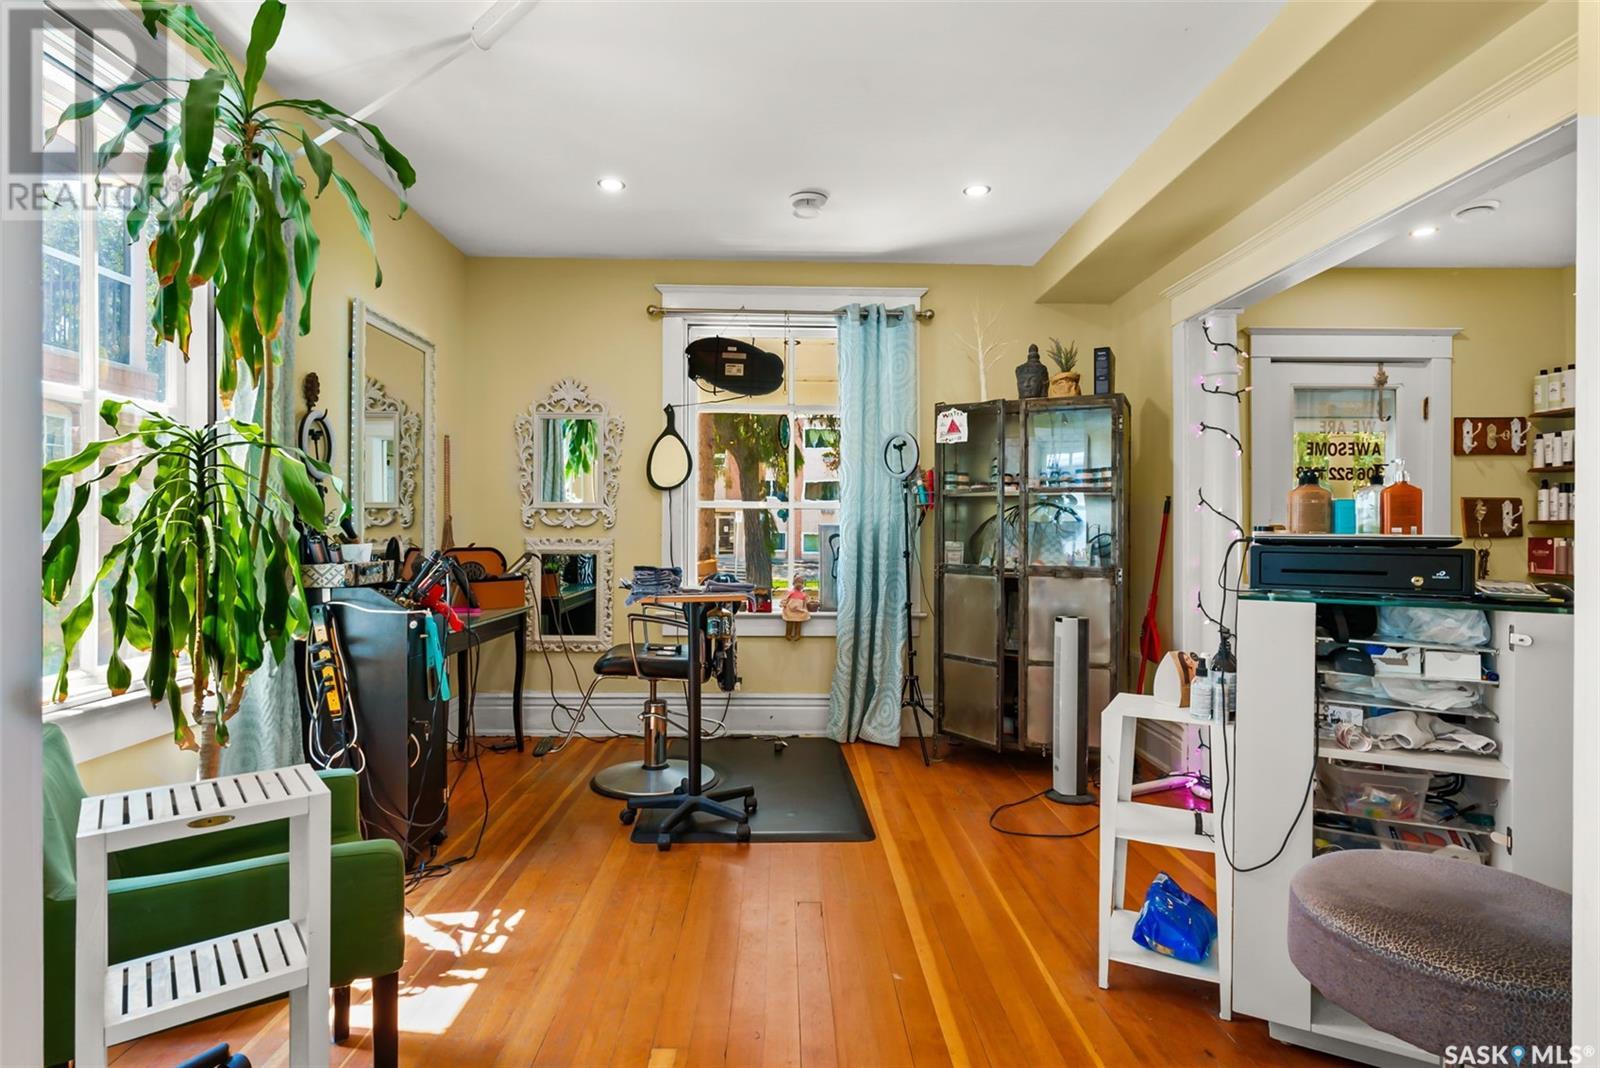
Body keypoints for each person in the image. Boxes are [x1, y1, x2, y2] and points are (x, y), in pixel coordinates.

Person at [780, 575, 811, 641]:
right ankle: (788, 634)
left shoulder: (803, 594)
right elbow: (785, 599)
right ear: (793, 583)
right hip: (790, 609)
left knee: (799, 622)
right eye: (797, 582)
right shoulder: (790, 592)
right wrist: (783, 604)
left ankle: (798, 634)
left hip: (799, 610)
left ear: (803, 585)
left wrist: (806, 607)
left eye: (801, 583)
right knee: (789, 622)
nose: (799, 584)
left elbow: (806, 601)